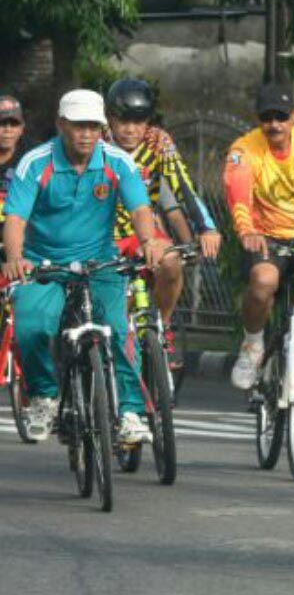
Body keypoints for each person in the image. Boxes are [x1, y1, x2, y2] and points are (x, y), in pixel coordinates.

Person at [1, 89, 164, 442]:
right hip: (45, 264)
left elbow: (139, 208)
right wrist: (16, 257)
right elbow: (14, 218)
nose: (86, 134)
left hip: (99, 262)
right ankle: (44, 396)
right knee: (31, 326)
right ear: (61, 125)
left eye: (93, 126)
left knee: (119, 332)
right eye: (78, 126)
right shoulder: (36, 162)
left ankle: (131, 412)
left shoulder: (117, 161)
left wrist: (148, 240)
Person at [106, 78, 222, 367]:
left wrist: (206, 228)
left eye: (138, 121)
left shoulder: (159, 143)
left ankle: (162, 325)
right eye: (123, 121)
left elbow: (183, 186)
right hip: (101, 235)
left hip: (143, 233)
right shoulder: (96, 142)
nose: (130, 129)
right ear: (109, 119)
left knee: (171, 262)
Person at [224, 83, 294, 389]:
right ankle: (252, 343)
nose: (274, 125)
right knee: (263, 281)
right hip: (267, 237)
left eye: (281, 116)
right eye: (267, 117)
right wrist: (246, 230)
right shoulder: (244, 149)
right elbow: (237, 193)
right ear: (258, 118)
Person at [0, 95, 30, 247]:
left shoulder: (32, 160)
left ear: (22, 128)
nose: (7, 130)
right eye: (2, 123)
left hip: (24, 242)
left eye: (14, 124)